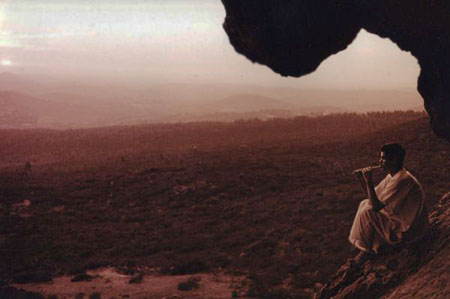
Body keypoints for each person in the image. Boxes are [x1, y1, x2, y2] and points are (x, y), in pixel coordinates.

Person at [348, 142, 428, 264]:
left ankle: (365, 250)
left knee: (369, 211)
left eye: (383, 158)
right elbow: (372, 197)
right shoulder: (393, 176)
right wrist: (362, 180)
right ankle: (366, 247)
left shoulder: (402, 180)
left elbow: (375, 206)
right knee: (364, 203)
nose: (380, 161)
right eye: (380, 158)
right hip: (406, 224)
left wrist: (369, 181)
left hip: (411, 231)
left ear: (395, 160)